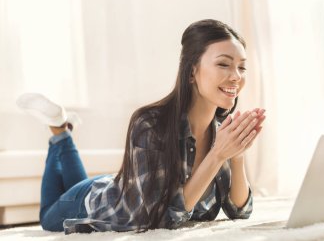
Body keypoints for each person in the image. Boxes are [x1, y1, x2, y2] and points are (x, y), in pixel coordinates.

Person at [16, 19, 265, 234]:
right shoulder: (150, 124)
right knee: (48, 217)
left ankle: (63, 129)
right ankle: (60, 131)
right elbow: (157, 220)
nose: (236, 76)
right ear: (191, 72)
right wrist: (217, 155)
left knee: (71, 185)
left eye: (241, 67)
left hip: (129, 182)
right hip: (98, 199)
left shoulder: (222, 131)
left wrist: (237, 156)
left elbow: (239, 211)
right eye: (224, 64)